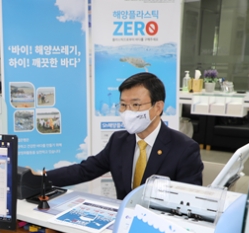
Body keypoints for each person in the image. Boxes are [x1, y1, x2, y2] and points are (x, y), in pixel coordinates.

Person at [45, 72, 203, 200]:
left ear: (158, 107)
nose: (128, 112)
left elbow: (189, 202)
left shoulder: (184, 149)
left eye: (135, 105)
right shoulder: (119, 141)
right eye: (123, 105)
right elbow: (85, 170)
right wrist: (41, 177)